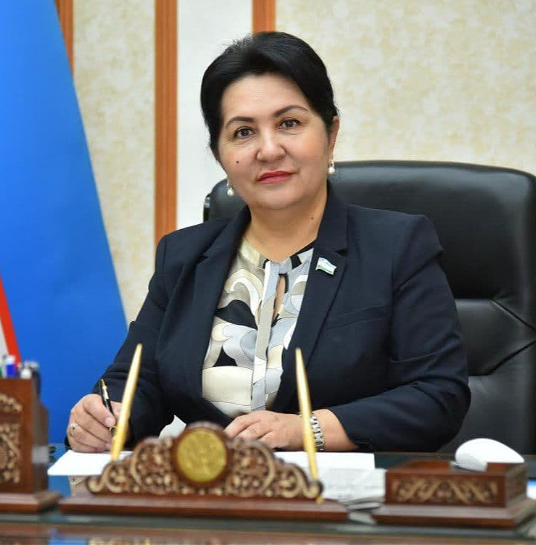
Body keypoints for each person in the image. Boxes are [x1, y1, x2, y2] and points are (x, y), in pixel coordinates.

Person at [67, 32, 470, 453]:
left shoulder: (397, 247)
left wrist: (306, 430)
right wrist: (105, 418)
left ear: (330, 134)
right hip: (212, 487)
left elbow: (437, 396)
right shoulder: (184, 256)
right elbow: (137, 380)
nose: (269, 149)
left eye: (289, 124)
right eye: (243, 132)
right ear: (220, 155)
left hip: (342, 491)